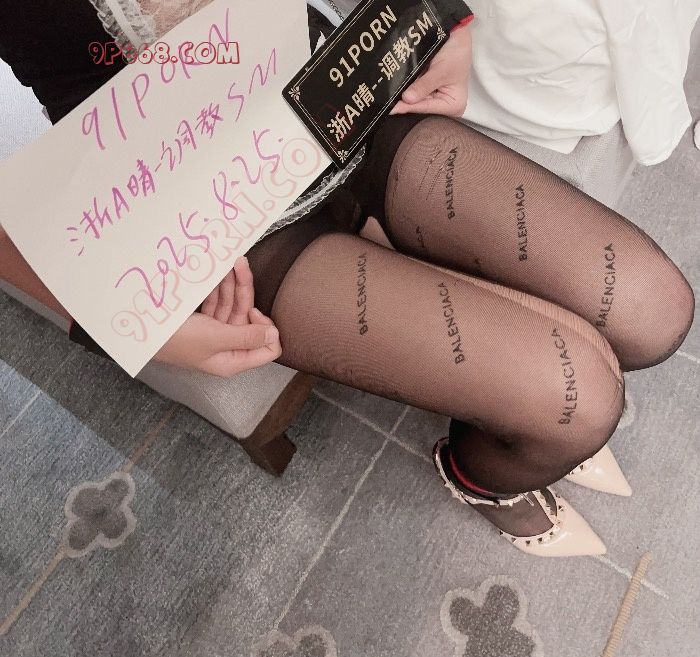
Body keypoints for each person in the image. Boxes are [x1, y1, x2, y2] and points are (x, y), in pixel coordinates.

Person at [0, 0, 694, 557]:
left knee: (653, 310)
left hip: (330, 88)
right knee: (579, 400)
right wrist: (131, 322)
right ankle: (481, 476)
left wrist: (442, 15)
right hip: (180, 214)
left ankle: (513, 407)